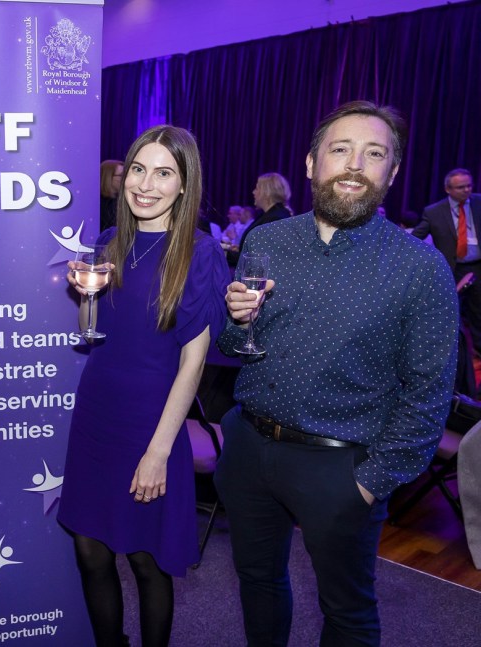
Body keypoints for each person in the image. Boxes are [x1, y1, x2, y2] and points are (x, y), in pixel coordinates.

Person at [217, 101, 458, 646]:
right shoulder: (266, 241)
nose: (354, 164)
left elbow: (427, 396)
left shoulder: (420, 267)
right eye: (340, 149)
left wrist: (369, 485)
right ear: (310, 164)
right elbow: (239, 345)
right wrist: (236, 321)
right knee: (257, 581)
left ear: (391, 173)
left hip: (340, 467)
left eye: (373, 154)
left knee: (347, 611)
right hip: (249, 448)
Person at [58, 125, 229, 647]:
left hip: (153, 422)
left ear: (184, 185)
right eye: (137, 169)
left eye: (163, 173)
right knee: (89, 548)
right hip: (98, 411)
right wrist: (84, 298)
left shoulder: (201, 254)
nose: (145, 185)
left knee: (146, 559)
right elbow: (101, 333)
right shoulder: (108, 242)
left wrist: (158, 452)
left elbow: (193, 364)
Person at [412, 169, 481, 347]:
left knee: (478, 312)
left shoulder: (479, 203)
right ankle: (453, 352)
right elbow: (415, 238)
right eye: (461, 187)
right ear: (448, 189)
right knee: (450, 312)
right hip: (451, 269)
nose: (466, 190)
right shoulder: (434, 212)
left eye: (469, 186)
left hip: (477, 267)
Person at [232, 172, 293, 259]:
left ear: (266, 192)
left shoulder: (275, 218)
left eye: (257, 188)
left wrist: (226, 254)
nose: (253, 192)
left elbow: (260, 258)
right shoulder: (269, 215)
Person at [100, 159, 125, 231]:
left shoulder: (123, 200)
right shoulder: (98, 204)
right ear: (108, 177)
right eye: (121, 175)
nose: (125, 179)